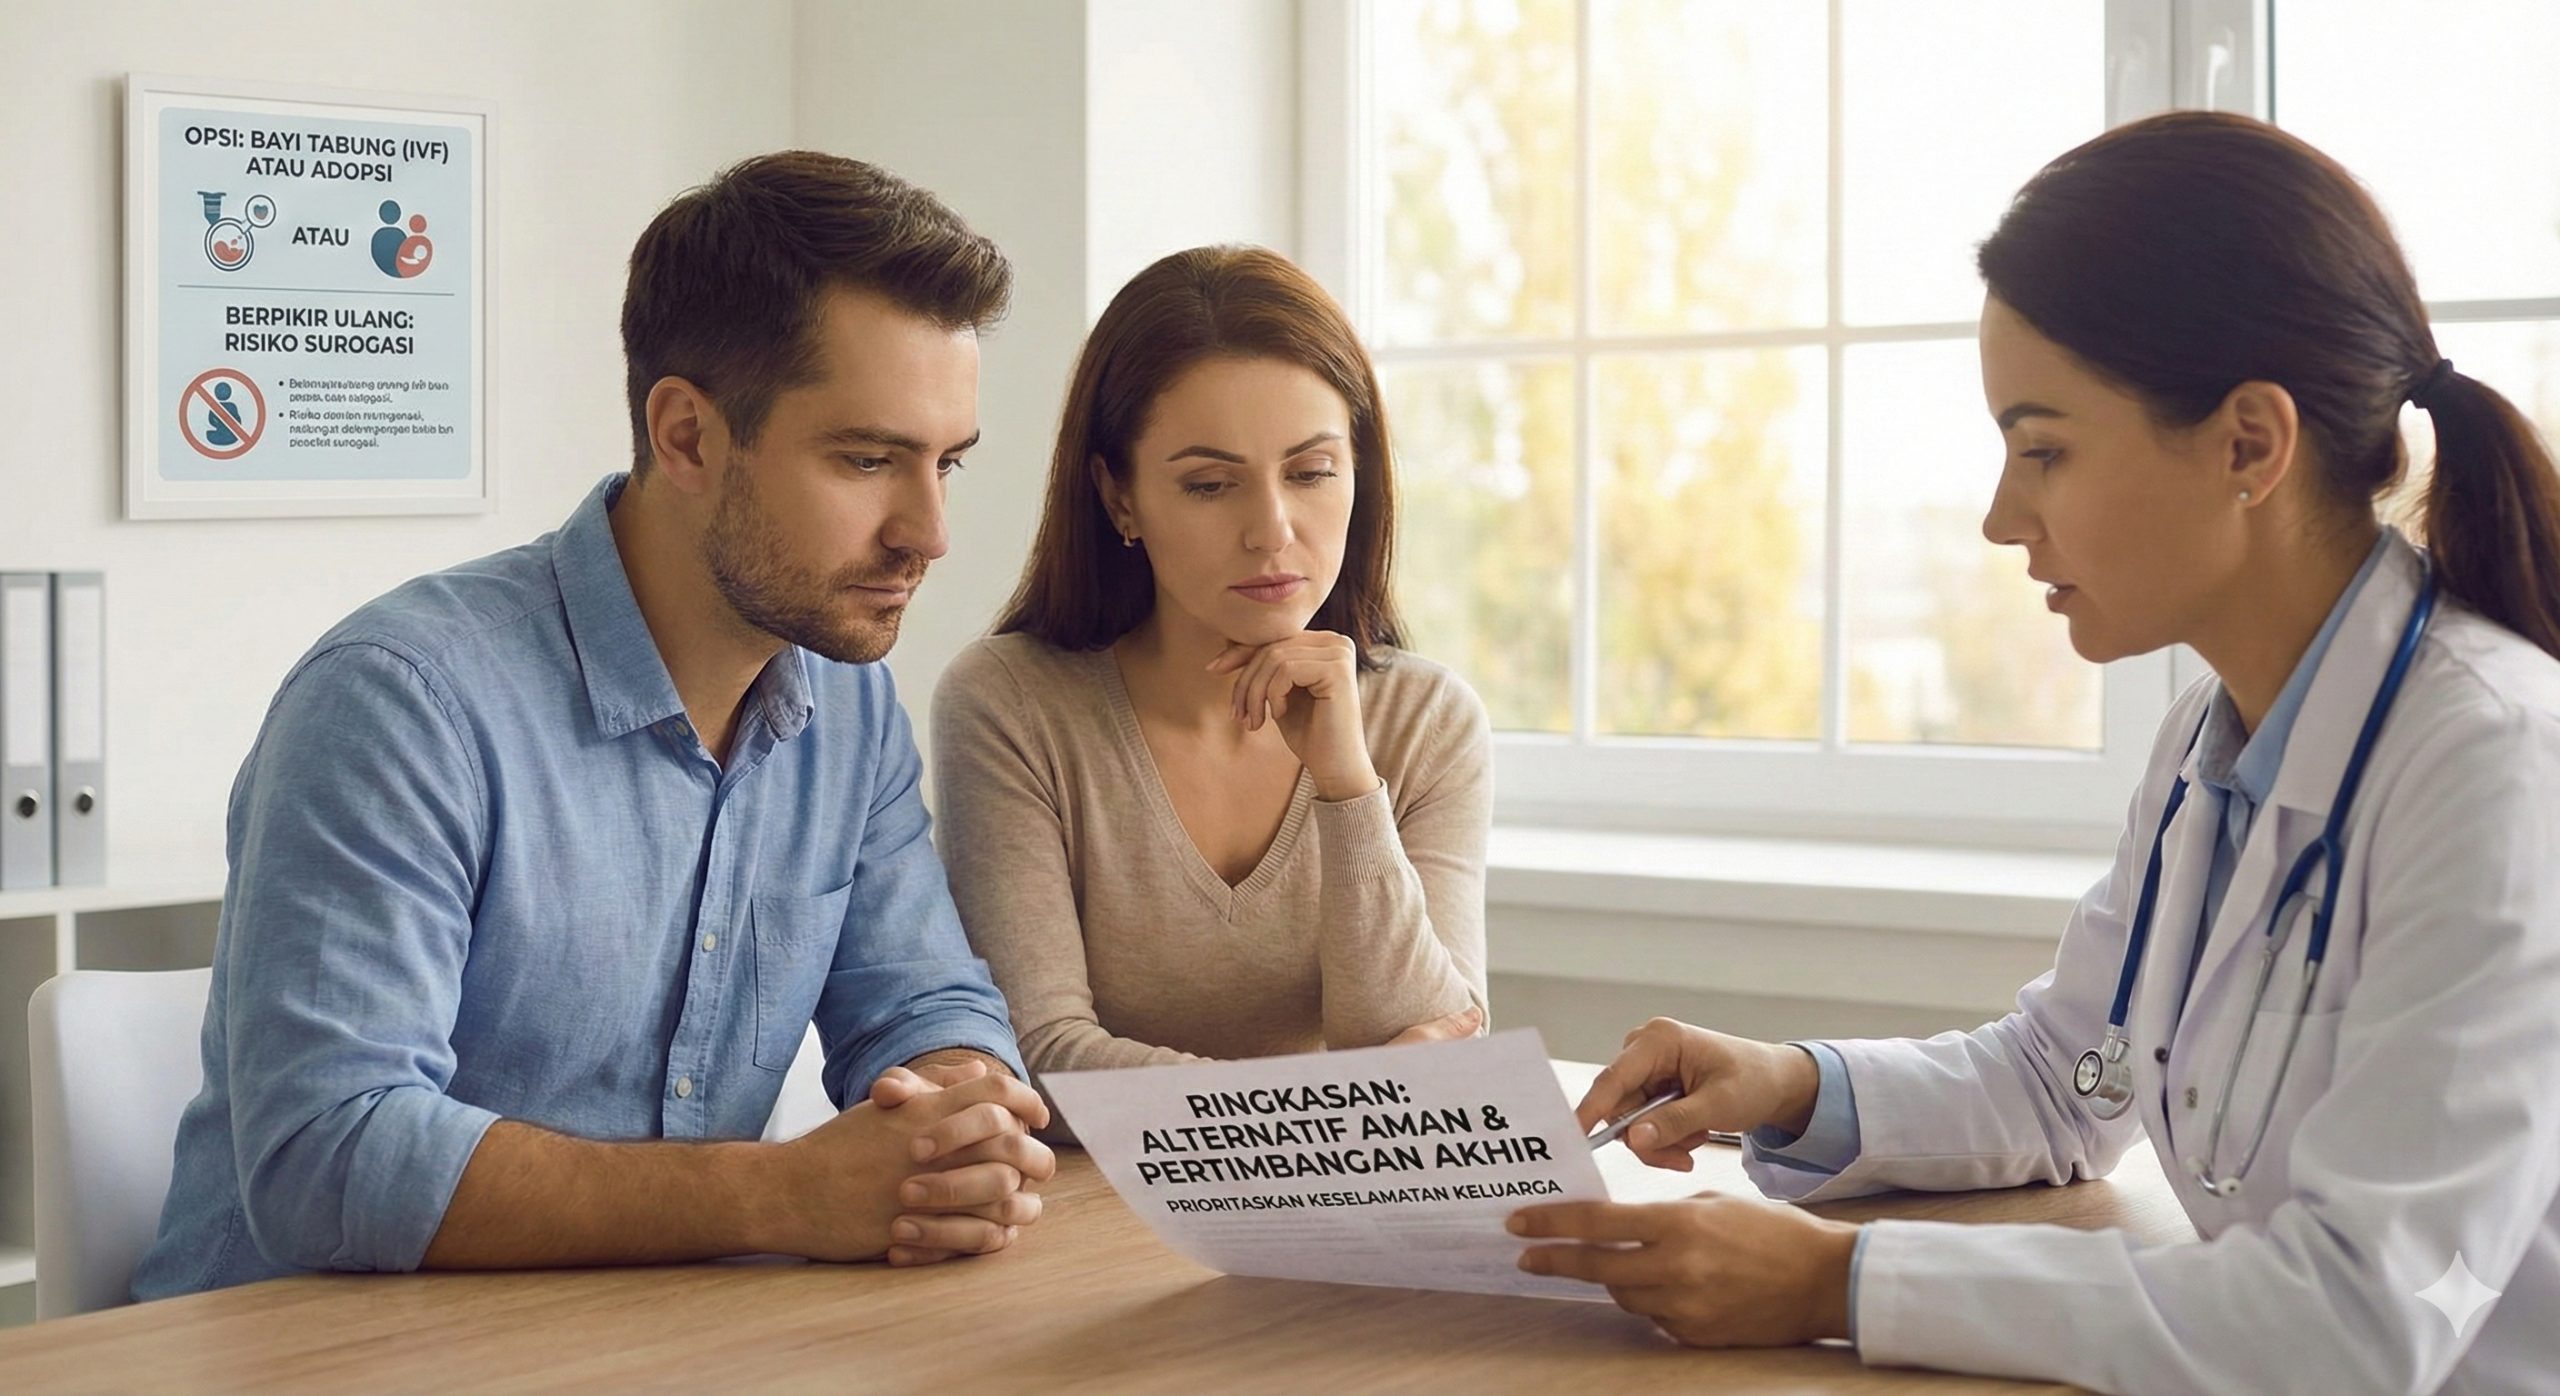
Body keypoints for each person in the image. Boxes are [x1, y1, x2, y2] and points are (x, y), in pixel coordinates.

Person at [1511, 111, 2560, 1395]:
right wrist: (1785, 1085)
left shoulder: (2498, 765)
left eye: (2043, 450)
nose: (2005, 518)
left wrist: (1830, 1281)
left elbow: (2353, 1319)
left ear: (2249, 444)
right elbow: (2072, 1077)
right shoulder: (2208, 744)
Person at [134, 151, 1053, 1299]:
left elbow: (923, 999)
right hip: (294, 1358)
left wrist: (957, 1106)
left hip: (646, 1340)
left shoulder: (844, 700)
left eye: (947, 463)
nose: (929, 531)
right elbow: (329, 1154)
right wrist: (782, 1195)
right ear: (686, 436)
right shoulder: (400, 700)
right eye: (867, 459)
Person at [931, 246, 1490, 1118]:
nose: (1272, 531)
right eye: (1208, 484)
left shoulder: (1428, 718)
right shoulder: (1010, 703)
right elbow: (1038, 1054)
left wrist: (1348, 786)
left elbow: (1440, 1065)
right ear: (1119, 498)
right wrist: (1326, 1105)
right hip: (1087, 1224)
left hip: (1355, 1225)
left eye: (1311, 473)